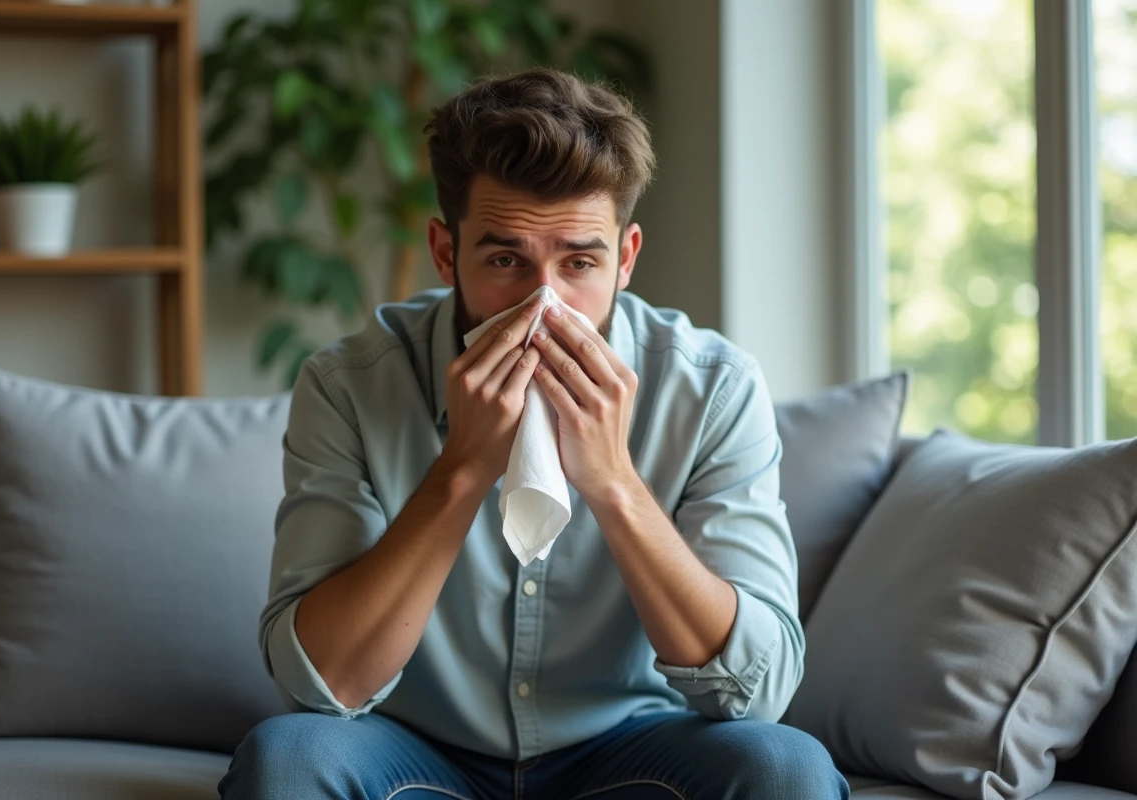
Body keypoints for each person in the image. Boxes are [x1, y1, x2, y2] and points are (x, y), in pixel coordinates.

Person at [219, 67, 849, 800]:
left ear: (626, 259)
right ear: (446, 253)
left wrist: (613, 483)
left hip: (633, 751)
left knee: (785, 769)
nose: (545, 304)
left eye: (580, 262)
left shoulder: (712, 389)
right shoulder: (350, 384)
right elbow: (322, 683)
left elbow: (757, 690)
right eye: (505, 260)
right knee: (286, 759)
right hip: (419, 754)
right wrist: (462, 469)